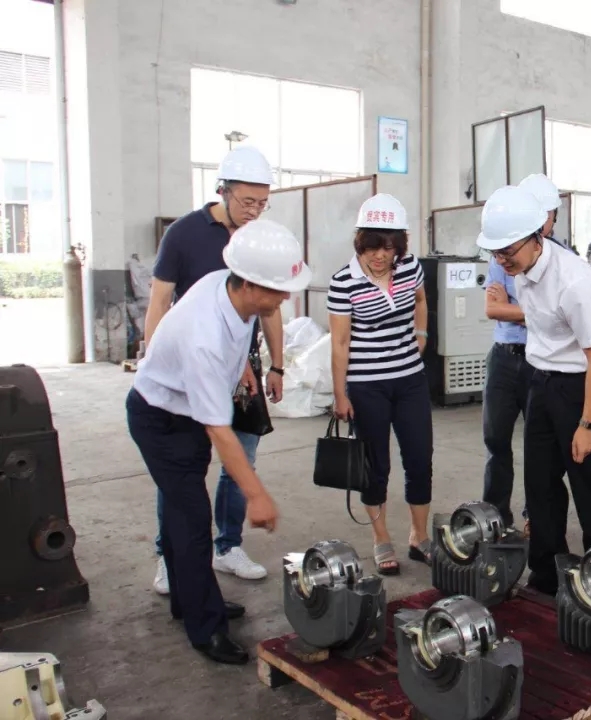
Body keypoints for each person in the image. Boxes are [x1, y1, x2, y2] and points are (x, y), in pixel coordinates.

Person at [127, 218, 310, 664]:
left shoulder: (226, 288)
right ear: (248, 283)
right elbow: (219, 430)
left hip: (183, 412)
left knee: (181, 514)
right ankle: (205, 628)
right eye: (278, 290)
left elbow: (236, 340)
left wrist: (241, 366)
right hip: (160, 419)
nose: (285, 299)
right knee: (192, 521)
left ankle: (188, 600)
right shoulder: (204, 336)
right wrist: (256, 495)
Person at [143, 145, 283, 595]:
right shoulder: (184, 234)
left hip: (243, 362)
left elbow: (272, 306)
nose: (255, 211)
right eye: (248, 201)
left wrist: (276, 365)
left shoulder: (259, 238)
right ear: (223, 190)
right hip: (196, 360)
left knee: (242, 456)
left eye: (263, 203)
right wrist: (154, 365)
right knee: (183, 469)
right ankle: (169, 555)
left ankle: (228, 545)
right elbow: (160, 303)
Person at [477, 185, 591, 596]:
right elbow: (533, 319)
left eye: (508, 252)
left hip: (580, 386)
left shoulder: (573, 280)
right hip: (539, 381)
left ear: (536, 237)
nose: (502, 261)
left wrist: (587, 424)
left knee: (590, 487)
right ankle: (545, 575)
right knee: (540, 485)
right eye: (496, 253)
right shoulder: (521, 270)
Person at [328, 193, 433, 576]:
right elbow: (340, 343)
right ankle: (381, 537)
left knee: (419, 458)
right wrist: (340, 393)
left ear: (399, 246)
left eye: (389, 248)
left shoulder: (410, 267)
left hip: (410, 379)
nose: (380, 256)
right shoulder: (344, 282)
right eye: (373, 247)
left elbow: (420, 301)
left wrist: (421, 333)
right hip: (366, 385)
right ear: (361, 242)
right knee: (376, 466)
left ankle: (419, 536)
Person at [480, 177, 578, 534]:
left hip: (544, 363)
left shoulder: (566, 260)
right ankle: (495, 516)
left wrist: (518, 309)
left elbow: (561, 316)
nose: (541, 220)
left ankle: (535, 516)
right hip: (505, 357)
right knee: (496, 441)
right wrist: (535, 311)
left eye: (547, 213)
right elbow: (493, 309)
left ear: (553, 217)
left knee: (542, 448)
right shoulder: (503, 252)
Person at [518, 173, 579, 255]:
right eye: (531, 214)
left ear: (555, 214)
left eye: (544, 214)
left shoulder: (566, 256)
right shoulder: (507, 254)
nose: (538, 222)